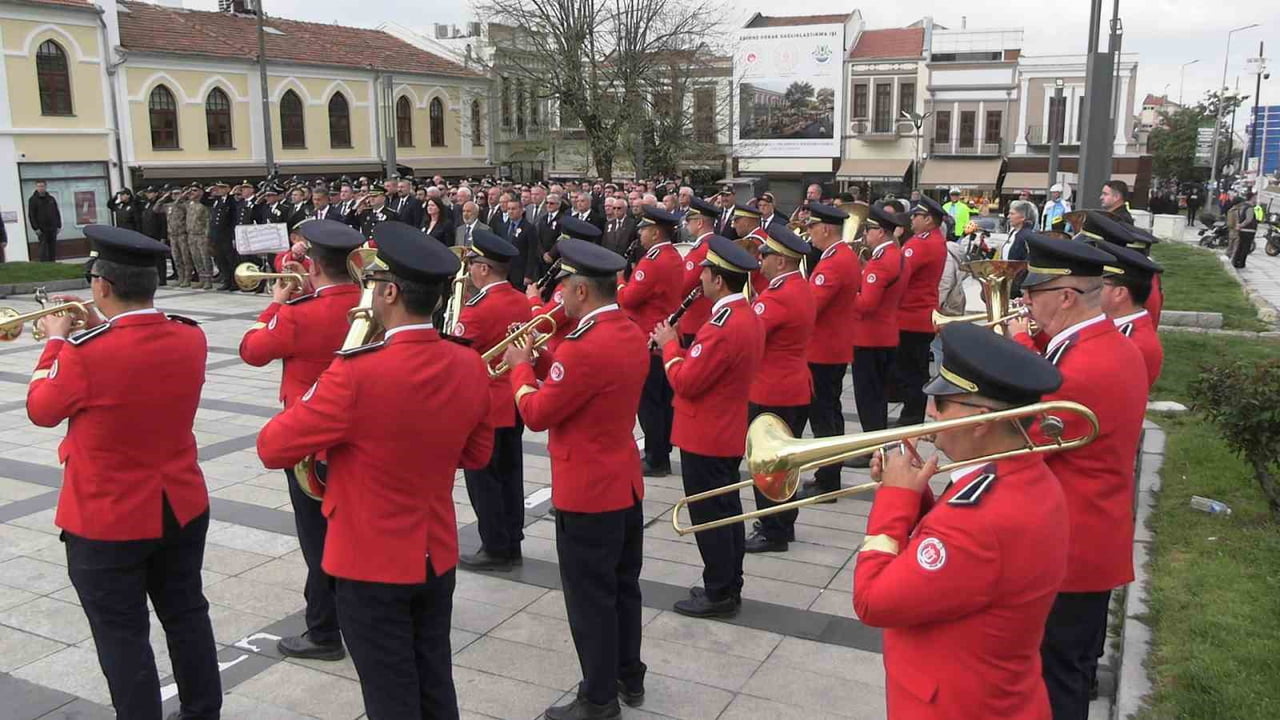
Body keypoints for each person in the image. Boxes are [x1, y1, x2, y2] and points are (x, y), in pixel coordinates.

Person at [257, 222, 494, 720]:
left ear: (389, 291)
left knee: (388, 693)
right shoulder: (468, 363)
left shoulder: (356, 372)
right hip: (434, 550)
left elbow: (272, 447)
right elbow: (476, 456)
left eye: (372, 283)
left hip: (369, 559)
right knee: (433, 678)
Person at [27, 225, 221, 720]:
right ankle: (203, 711)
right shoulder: (189, 335)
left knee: (122, 635)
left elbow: (42, 409)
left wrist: (55, 343)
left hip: (107, 516)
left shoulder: (82, 355)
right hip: (179, 504)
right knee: (187, 616)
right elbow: (134, 351)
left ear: (102, 285)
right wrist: (96, 322)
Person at [854, 322, 1069, 720]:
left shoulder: (978, 518)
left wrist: (893, 500)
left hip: (954, 705)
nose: (931, 412)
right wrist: (916, 495)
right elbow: (963, 572)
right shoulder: (1024, 475)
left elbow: (872, 602)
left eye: (942, 402)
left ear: (982, 419)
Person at [505, 238, 650, 720]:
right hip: (624, 482)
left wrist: (520, 369)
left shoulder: (583, 347)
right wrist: (547, 359)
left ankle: (598, 697)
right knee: (624, 587)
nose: (558, 299)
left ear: (582, 290)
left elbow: (537, 412)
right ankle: (630, 674)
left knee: (590, 600)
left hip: (588, 491)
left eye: (564, 289)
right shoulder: (628, 330)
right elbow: (586, 388)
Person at [1005, 236, 1146, 720]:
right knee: (1071, 671)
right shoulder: (1108, 343)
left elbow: (1019, 442)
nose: (1024, 301)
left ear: (1066, 296)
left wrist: (1016, 348)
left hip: (1071, 548)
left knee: (1056, 682)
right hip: (1095, 536)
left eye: (1033, 292)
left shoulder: (1078, 367)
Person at [238, 219, 364, 661]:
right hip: (363, 439)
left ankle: (324, 630)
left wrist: (273, 305)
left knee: (318, 540)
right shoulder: (374, 305)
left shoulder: (299, 313)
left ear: (312, 265)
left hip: (311, 445)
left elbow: (252, 351)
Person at [652, 236, 765, 618]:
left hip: (706, 434)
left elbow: (686, 382)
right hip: (727, 428)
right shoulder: (746, 314)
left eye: (704, 273)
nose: (698, 279)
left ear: (718, 280)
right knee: (728, 511)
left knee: (710, 518)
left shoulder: (720, 326)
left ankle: (718, 591)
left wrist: (669, 346)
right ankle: (728, 583)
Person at [453, 230, 531, 571]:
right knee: (511, 475)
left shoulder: (477, 308)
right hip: (514, 398)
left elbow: (458, 356)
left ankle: (495, 546)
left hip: (486, 403)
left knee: (483, 481)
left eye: (472, 264)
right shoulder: (519, 299)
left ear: (483, 269)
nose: (469, 270)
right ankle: (512, 539)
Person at [743, 225, 815, 553]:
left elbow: (752, 336)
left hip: (772, 389)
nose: (762, 260)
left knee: (768, 465)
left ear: (782, 262)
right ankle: (783, 523)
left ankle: (773, 530)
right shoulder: (799, 287)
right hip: (794, 385)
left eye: (767, 255)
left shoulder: (777, 296)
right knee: (786, 465)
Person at [791, 202, 860, 501]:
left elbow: (812, 306)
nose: (809, 233)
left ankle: (828, 478)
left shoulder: (834, 261)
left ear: (826, 229)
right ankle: (826, 473)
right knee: (826, 413)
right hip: (830, 347)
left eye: (812, 227)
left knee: (824, 417)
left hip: (823, 350)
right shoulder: (839, 256)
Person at [617, 206, 684, 477]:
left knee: (649, 403)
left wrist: (620, 281)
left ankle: (656, 457)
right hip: (663, 335)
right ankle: (662, 451)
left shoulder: (653, 260)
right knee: (663, 401)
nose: (640, 233)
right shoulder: (673, 256)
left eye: (644, 229)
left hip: (648, 337)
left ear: (655, 232)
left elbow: (629, 299)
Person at [849, 204, 907, 454]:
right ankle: (878, 444)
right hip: (886, 334)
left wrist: (848, 290)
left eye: (869, 229)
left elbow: (866, 305)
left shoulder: (880, 263)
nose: (865, 234)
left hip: (869, 338)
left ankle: (872, 448)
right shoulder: (897, 255)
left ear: (881, 232)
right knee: (879, 396)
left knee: (868, 398)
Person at [894, 196, 949, 427]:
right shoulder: (936, 240)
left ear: (928, 219)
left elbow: (899, 274)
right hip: (920, 316)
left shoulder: (920, 243)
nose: (912, 220)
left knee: (910, 374)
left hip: (909, 316)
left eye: (916, 216)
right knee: (915, 371)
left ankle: (911, 417)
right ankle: (912, 415)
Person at [1098, 240, 1164, 391]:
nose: (1092, 289)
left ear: (1119, 293)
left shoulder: (1133, 341)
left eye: (1099, 284)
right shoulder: (1125, 329)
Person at [673, 197, 721, 346]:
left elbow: (685, 285)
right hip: (705, 314)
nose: (686, 225)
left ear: (699, 223)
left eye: (689, 220)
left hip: (695, 318)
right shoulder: (714, 243)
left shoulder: (700, 249)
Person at [206, 181, 238, 290]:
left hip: (227, 236)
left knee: (230, 260)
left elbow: (234, 219)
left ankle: (234, 283)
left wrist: (234, 236)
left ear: (228, 189)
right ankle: (226, 281)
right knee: (220, 260)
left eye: (222, 187)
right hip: (217, 236)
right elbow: (213, 219)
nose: (219, 190)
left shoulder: (231, 201)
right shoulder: (217, 201)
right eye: (218, 188)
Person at [184, 185, 215, 290]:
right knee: (196, 258)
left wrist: (207, 236)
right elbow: (176, 204)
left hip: (201, 235)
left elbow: (207, 221)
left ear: (201, 192)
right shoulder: (189, 204)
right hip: (191, 235)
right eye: (191, 190)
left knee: (205, 258)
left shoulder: (204, 205)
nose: (192, 192)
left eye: (195, 190)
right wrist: (186, 193)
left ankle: (208, 280)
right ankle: (201, 279)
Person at [28, 180, 62, 261]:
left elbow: (56, 212)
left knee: (52, 248)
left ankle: (52, 263)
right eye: (39, 186)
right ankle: (44, 265)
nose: (41, 188)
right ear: (36, 187)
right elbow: (31, 215)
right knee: (43, 249)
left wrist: (59, 225)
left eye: (42, 186)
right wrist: (35, 228)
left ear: (46, 187)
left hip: (52, 228)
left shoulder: (51, 199)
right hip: (41, 229)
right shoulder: (33, 200)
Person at [1230, 191, 1262, 269]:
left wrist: (1239, 225)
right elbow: (1249, 219)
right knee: (1245, 247)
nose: (1256, 199)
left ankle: (1236, 261)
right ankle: (1241, 263)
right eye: (1255, 197)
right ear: (1252, 198)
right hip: (1248, 230)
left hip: (1243, 230)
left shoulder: (1243, 206)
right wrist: (1241, 225)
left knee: (1240, 246)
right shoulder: (1250, 208)